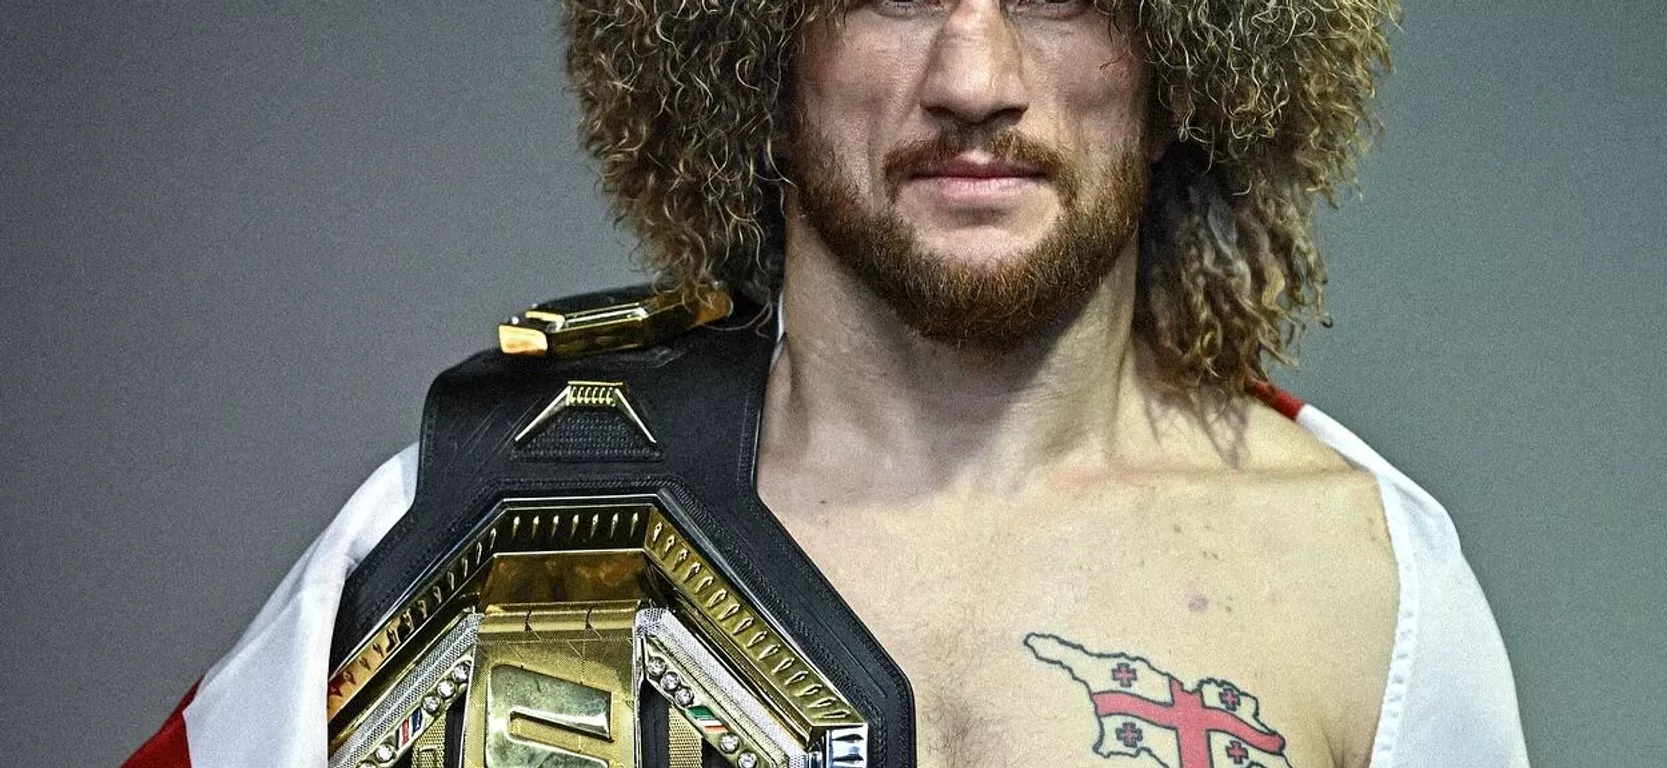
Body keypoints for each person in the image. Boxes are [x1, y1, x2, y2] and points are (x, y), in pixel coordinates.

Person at [130, 1, 1529, 766]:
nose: (973, 75)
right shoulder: (470, 537)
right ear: (758, 54)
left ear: (1182, 54)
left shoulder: (1366, 585)